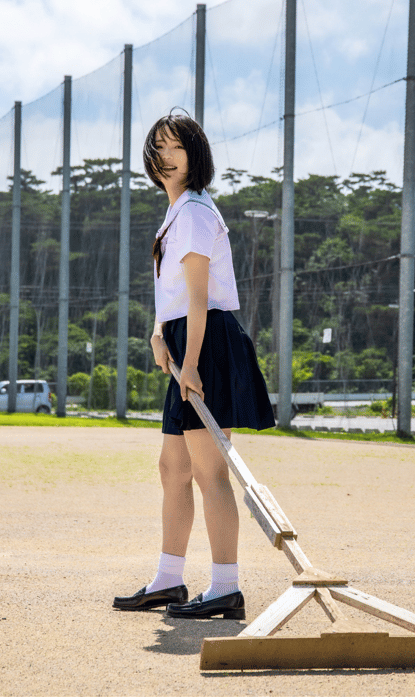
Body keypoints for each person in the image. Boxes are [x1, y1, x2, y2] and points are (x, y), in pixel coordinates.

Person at [112, 112, 275, 620]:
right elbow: (173, 295)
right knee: (173, 469)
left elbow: (201, 299)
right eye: (157, 147)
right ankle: (168, 580)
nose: (165, 155)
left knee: (210, 472)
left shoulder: (199, 211)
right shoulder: (176, 213)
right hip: (183, 339)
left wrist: (191, 362)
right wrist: (159, 334)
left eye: (175, 146)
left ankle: (226, 586)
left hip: (208, 342)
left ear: (195, 154)